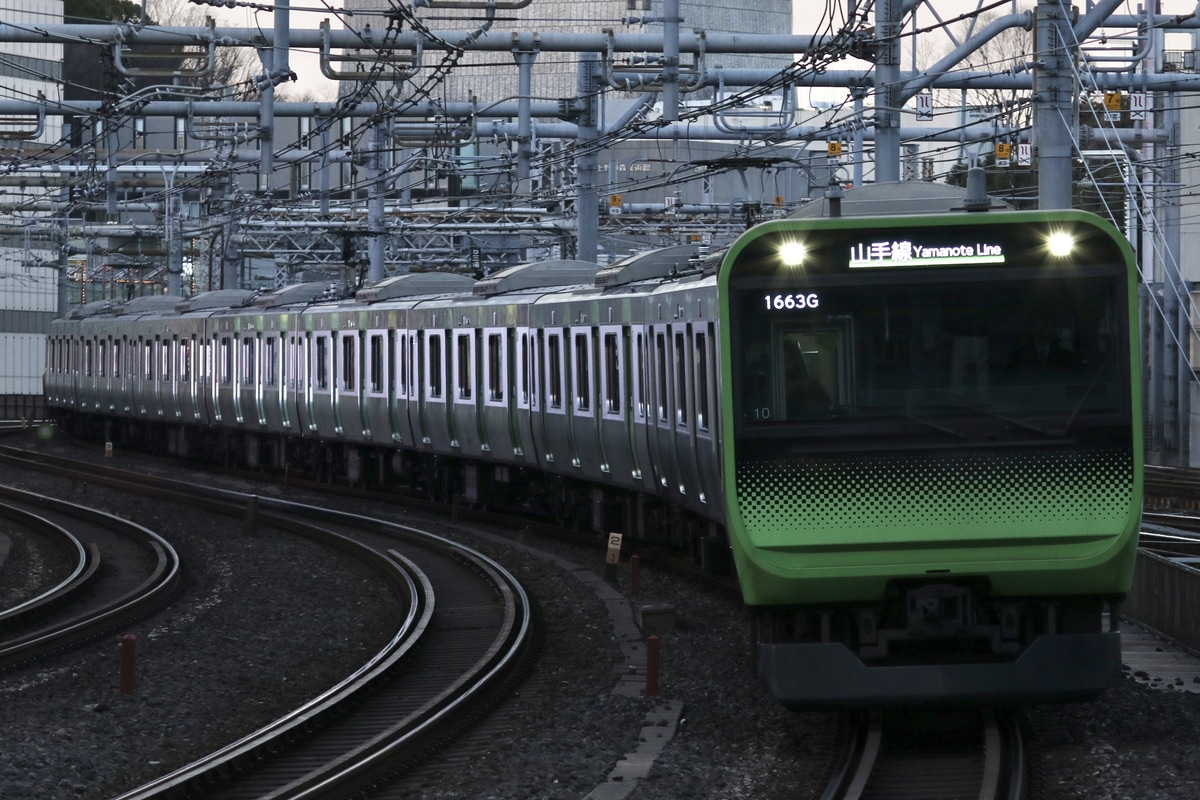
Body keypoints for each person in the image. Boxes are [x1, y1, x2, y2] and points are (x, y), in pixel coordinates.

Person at [784, 344, 830, 417]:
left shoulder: (807, 383)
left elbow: (823, 406)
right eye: (782, 361)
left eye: (786, 361)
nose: (783, 365)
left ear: (794, 361)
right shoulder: (770, 385)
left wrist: (805, 391)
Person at [1008, 320, 1078, 368]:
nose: (1042, 329)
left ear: (1053, 330)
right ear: (1031, 329)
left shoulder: (1067, 356)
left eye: (1046, 325)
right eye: (1038, 325)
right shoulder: (1017, 356)